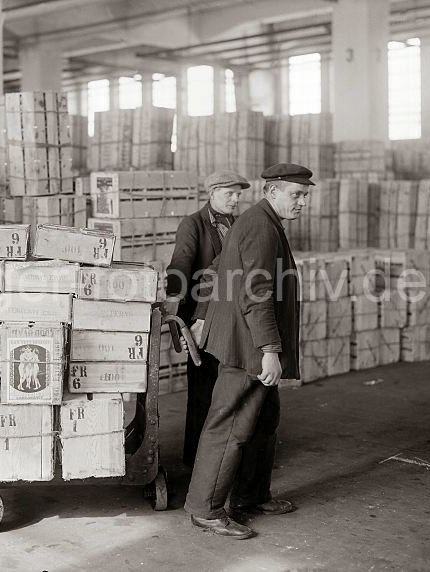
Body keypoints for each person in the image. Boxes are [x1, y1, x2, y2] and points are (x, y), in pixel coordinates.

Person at [184, 163, 314, 539]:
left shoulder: (264, 221)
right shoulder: (259, 225)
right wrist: (270, 349)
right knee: (231, 424)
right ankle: (205, 509)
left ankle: (251, 495)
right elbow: (256, 293)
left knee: (263, 420)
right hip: (248, 346)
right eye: (295, 194)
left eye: (305, 195)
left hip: (250, 341)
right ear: (272, 191)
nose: (302, 202)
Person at [165, 170, 250, 467]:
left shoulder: (239, 224)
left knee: (229, 388)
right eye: (230, 193)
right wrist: (174, 301)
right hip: (201, 318)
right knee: (203, 390)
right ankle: (196, 460)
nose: (236, 199)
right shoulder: (193, 224)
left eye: (239, 194)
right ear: (212, 193)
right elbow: (181, 262)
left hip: (231, 316)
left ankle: (225, 457)